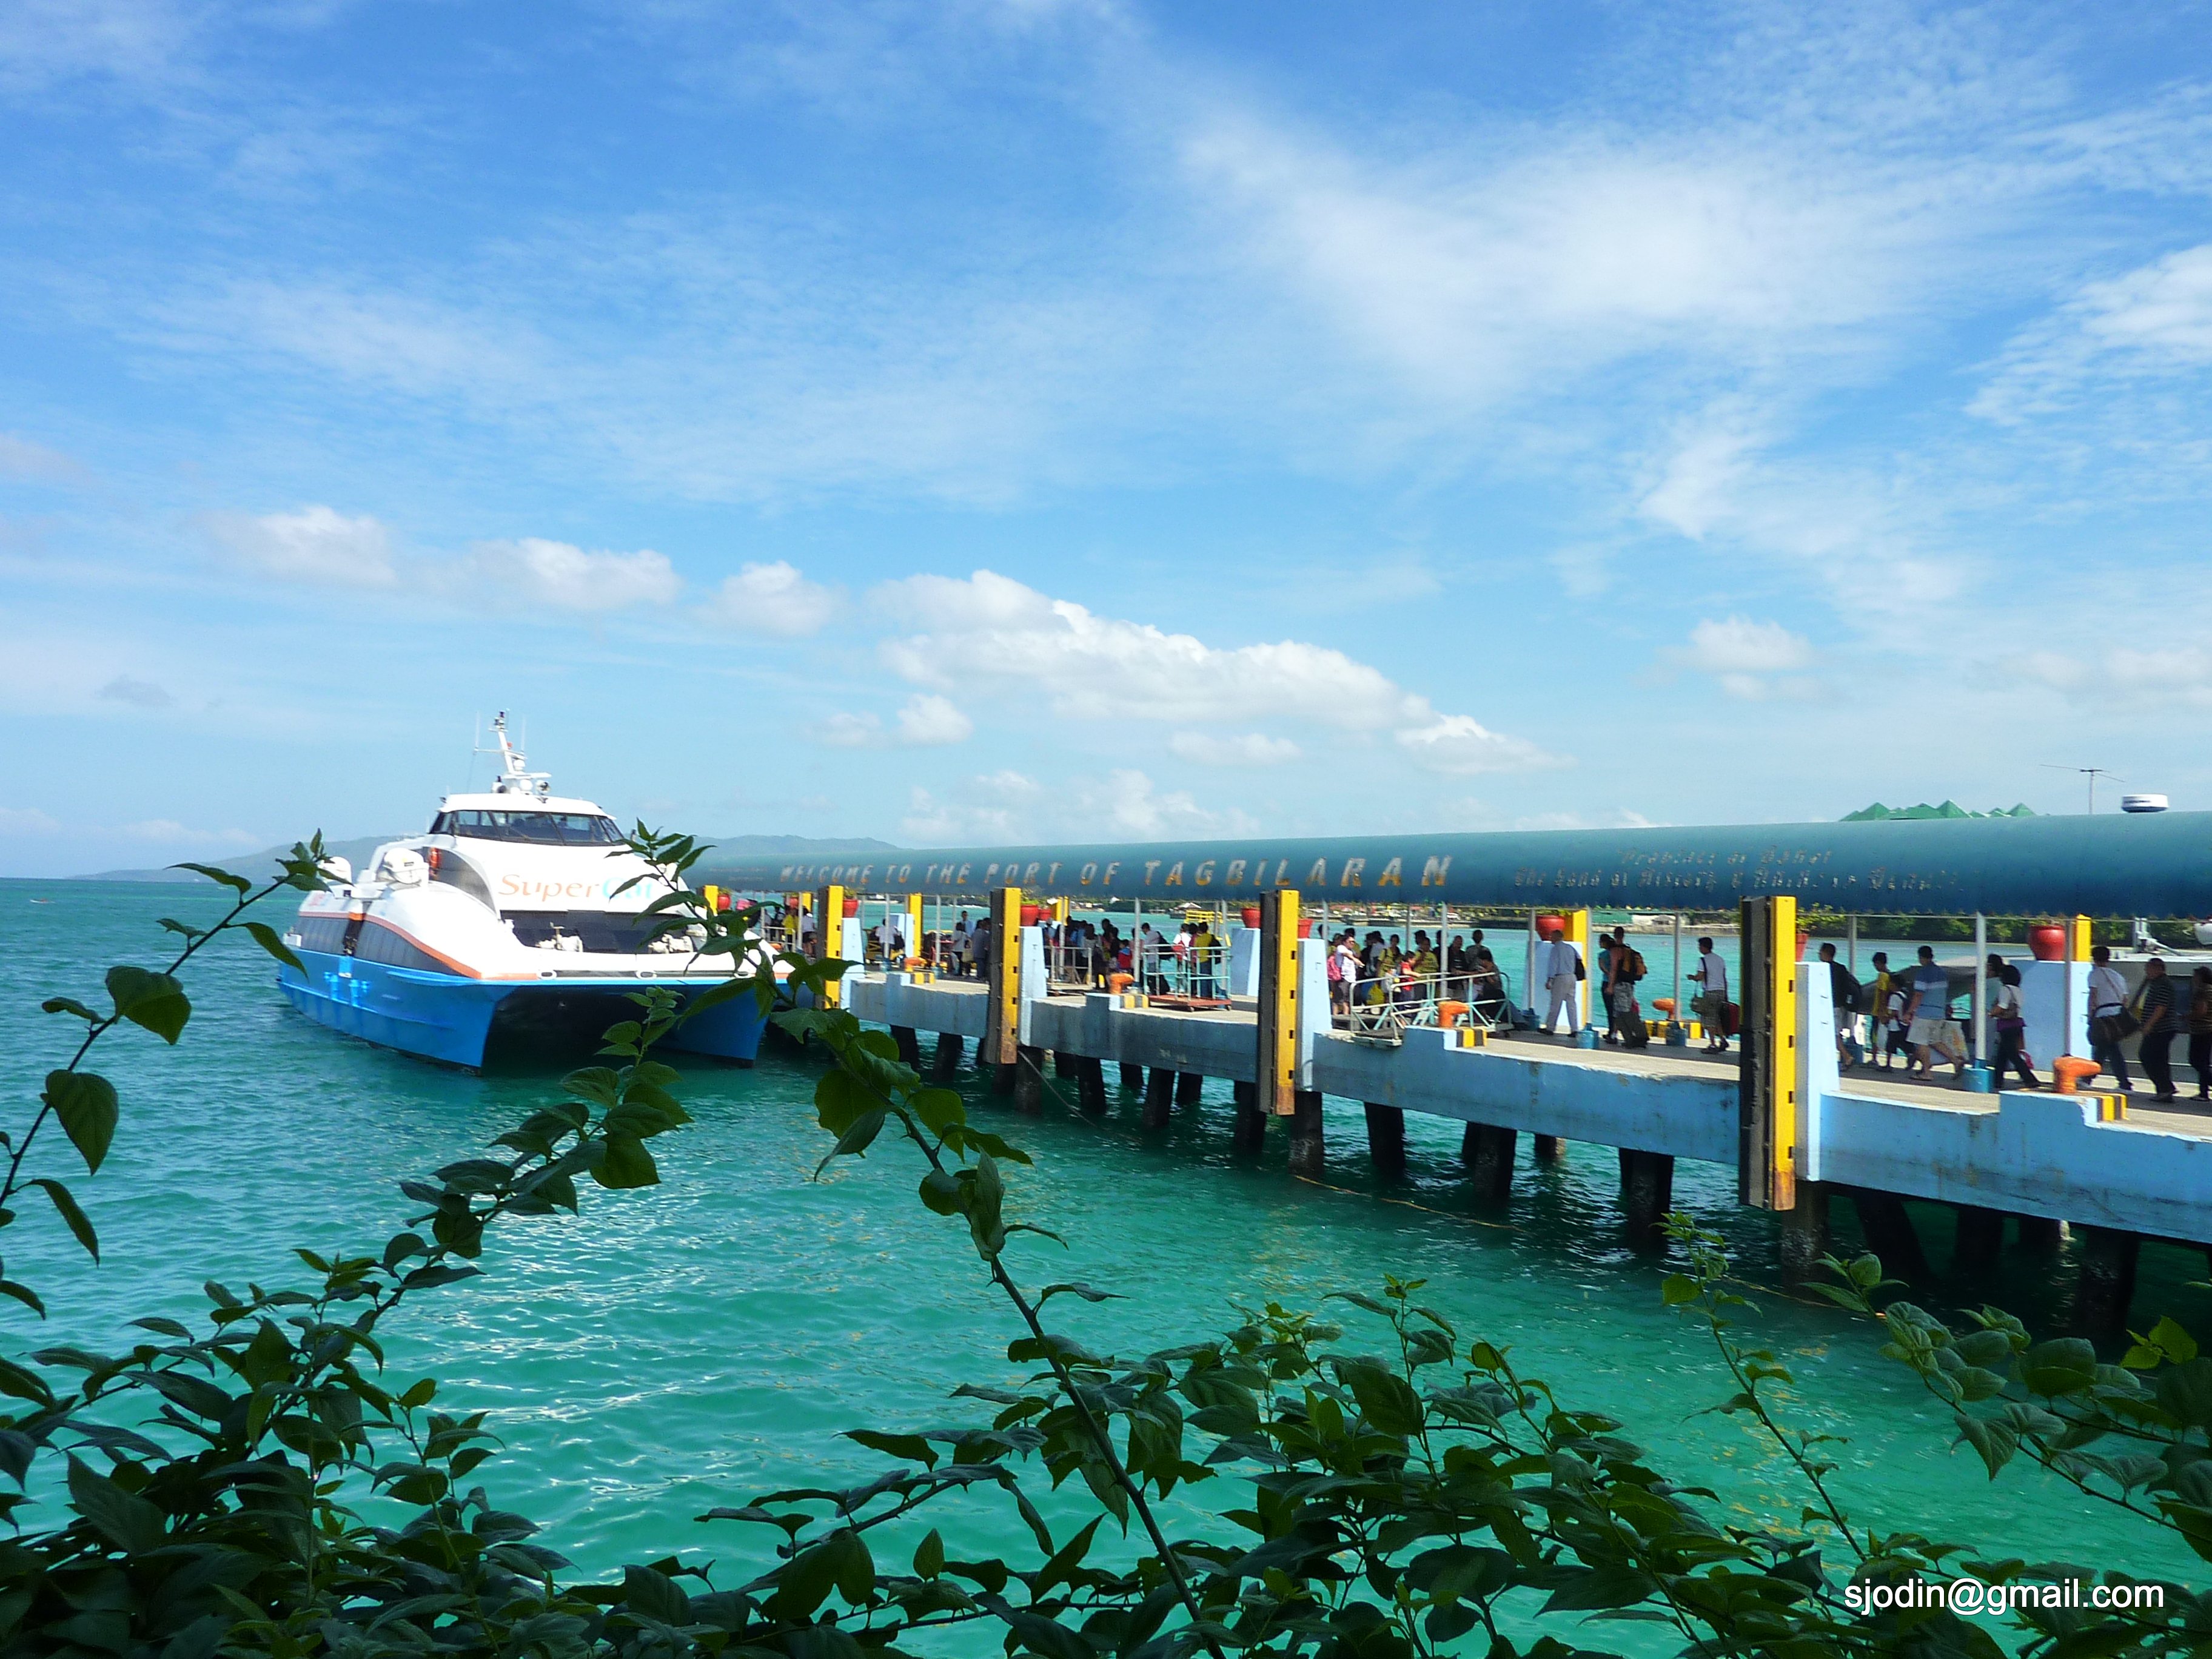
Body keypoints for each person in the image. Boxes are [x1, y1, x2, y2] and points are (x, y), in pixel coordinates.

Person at [1904, 945, 1966, 1081]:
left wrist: (1909, 1012)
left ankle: (1927, 1072)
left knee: (1921, 1042)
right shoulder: (1942, 973)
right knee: (1935, 1041)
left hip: (1925, 1012)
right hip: (1939, 1013)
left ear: (1921, 957)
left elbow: (1918, 994)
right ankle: (1956, 1061)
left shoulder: (1923, 973)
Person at [1986, 955, 2039, 1088]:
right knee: (2002, 1054)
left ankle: (2029, 1078)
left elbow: (2002, 1005)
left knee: (2012, 1054)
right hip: (2018, 1023)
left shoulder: (2005, 989)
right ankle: (1997, 1080)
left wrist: (1991, 1013)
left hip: (2007, 1024)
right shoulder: (2018, 990)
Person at [2088, 944, 2134, 1093]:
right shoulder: (2117, 976)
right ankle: (2088, 1078)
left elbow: (2093, 996)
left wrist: (2090, 1014)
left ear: (2094, 959)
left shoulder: (2095, 974)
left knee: (2112, 1050)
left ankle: (2125, 1084)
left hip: (2104, 1016)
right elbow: (2125, 999)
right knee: (2103, 1048)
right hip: (2117, 1015)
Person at [2137, 956, 2178, 1102]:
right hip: (2159, 1028)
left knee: (2147, 1056)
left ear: (2158, 969)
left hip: (2161, 1029)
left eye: (2148, 968)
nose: (2146, 971)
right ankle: (2164, 1089)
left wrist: (2149, 1025)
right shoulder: (2155, 983)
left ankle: (2165, 1087)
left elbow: (2161, 1007)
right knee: (2160, 1060)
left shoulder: (2163, 985)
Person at [1817, 943, 1864, 1067]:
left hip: (1831, 1006)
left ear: (1826, 953)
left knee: (1833, 1034)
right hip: (1841, 1006)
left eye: (1820, 952)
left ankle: (1847, 1057)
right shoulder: (1841, 969)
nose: (1819, 955)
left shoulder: (1823, 969)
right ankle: (1838, 1057)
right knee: (1834, 1033)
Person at [1538, 924, 1583, 1036]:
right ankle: (1574, 1029)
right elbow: (1579, 959)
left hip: (1560, 977)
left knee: (1555, 1004)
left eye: (1552, 936)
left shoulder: (1556, 949)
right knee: (1571, 1004)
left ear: (1557, 937)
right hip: (1572, 976)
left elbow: (1554, 965)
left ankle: (1550, 1028)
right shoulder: (1570, 948)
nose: (1550, 938)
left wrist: (1550, 980)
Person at [1690, 936, 1729, 1054]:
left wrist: (1693, 978)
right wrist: (1726, 994)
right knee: (1717, 1018)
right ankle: (1723, 1040)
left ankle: (1712, 1044)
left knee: (1709, 1020)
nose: (1699, 948)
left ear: (1703, 947)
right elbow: (1723, 977)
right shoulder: (1720, 959)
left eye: (1700, 946)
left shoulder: (1703, 960)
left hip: (1710, 992)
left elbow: (1700, 976)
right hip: (1721, 991)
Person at [1866, 952, 1900, 1068]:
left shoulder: (1882, 976)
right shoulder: (1890, 975)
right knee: (1888, 1037)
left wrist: (1880, 1011)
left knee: (1875, 1036)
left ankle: (1874, 1058)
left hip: (1879, 1012)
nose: (1875, 967)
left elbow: (1882, 994)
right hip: (1888, 1012)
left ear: (1879, 963)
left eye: (1875, 964)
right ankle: (1888, 1062)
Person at [2190, 966, 2212, 1102]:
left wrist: (2187, 1017)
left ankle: (2205, 1090)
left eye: (2195, 976)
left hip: (2201, 1030)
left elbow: (2201, 1011)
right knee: (2204, 1062)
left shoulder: (2202, 991)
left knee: (2196, 1061)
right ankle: (2203, 1092)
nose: (2193, 979)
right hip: (2209, 1029)